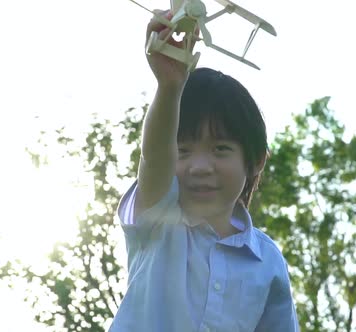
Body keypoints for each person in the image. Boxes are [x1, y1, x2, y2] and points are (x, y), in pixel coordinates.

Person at [109, 9, 299, 332]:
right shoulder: (158, 219)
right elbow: (154, 158)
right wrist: (169, 88)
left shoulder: (268, 262)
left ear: (255, 161)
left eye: (220, 150)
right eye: (182, 150)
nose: (199, 167)